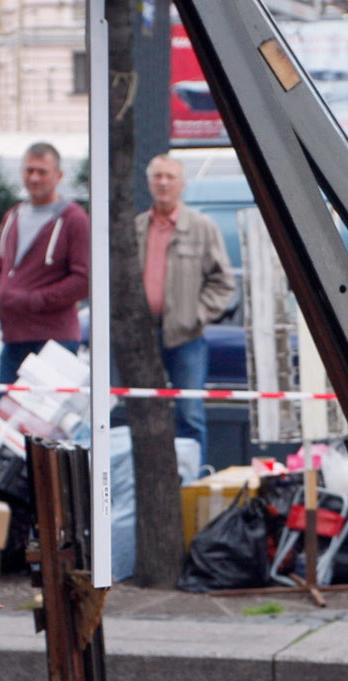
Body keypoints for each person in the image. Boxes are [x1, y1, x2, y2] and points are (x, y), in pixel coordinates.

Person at [136, 153, 236, 465]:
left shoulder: (201, 227)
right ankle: (149, 479)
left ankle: (195, 480)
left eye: (170, 177)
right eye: (158, 176)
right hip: (142, 337)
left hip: (186, 337)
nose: (163, 183)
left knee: (190, 414)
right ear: (149, 183)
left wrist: (197, 314)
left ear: (181, 185)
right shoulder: (137, 228)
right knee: (142, 411)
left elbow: (224, 283)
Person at [0, 142, 91, 385]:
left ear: (59, 176)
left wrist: (35, 300)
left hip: (55, 340)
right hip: (13, 337)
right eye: (29, 170)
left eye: (42, 172)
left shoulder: (74, 219)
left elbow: (83, 280)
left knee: (46, 410)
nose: (34, 178)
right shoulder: (12, 216)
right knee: (4, 408)